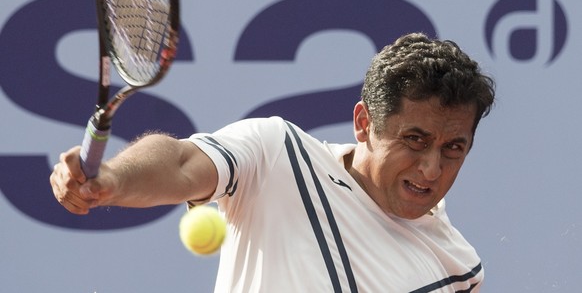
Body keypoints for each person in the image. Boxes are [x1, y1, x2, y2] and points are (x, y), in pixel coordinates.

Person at [50, 32, 495, 292]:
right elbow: (182, 162)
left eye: (454, 148)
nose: (432, 169)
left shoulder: (458, 268)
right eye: (414, 140)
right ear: (364, 123)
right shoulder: (277, 154)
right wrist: (113, 178)